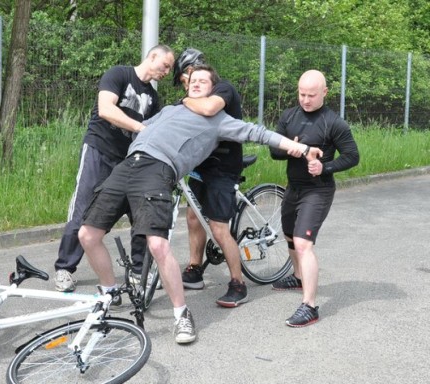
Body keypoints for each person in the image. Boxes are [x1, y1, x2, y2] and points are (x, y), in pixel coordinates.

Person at [78, 65, 323, 344]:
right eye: (192, 81)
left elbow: (260, 133)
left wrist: (301, 149)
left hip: (159, 169)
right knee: (87, 235)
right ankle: (109, 293)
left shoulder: (219, 120)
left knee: (157, 244)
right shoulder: (170, 109)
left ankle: (182, 314)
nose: (196, 84)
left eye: (203, 81)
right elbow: (140, 128)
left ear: (212, 89)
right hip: (129, 164)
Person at [53, 45, 176, 295]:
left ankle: (137, 271)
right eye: (166, 65)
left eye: (170, 69)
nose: (167, 71)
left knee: (140, 212)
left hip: (127, 160)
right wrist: (141, 129)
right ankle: (65, 268)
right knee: (84, 209)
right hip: (99, 150)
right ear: (153, 56)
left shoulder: (153, 98)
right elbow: (106, 109)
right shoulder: (118, 74)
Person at [270, 69, 359, 327]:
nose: (305, 100)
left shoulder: (334, 122)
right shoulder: (289, 116)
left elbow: (353, 156)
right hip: (294, 187)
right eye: (301, 94)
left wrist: (325, 167)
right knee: (288, 234)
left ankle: (309, 306)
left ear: (324, 93)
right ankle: (297, 277)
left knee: (302, 242)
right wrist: (292, 148)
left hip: (318, 189)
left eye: (311, 95)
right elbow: (274, 152)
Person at [172, 48, 249, 309]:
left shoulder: (222, 89)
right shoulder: (192, 97)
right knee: (193, 216)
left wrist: (184, 102)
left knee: (218, 228)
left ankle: (238, 283)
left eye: (186, 79)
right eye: (186, 83)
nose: (187, 86)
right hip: (201, 167)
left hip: (223, 167)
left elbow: (208, 108)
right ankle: (195, 269)